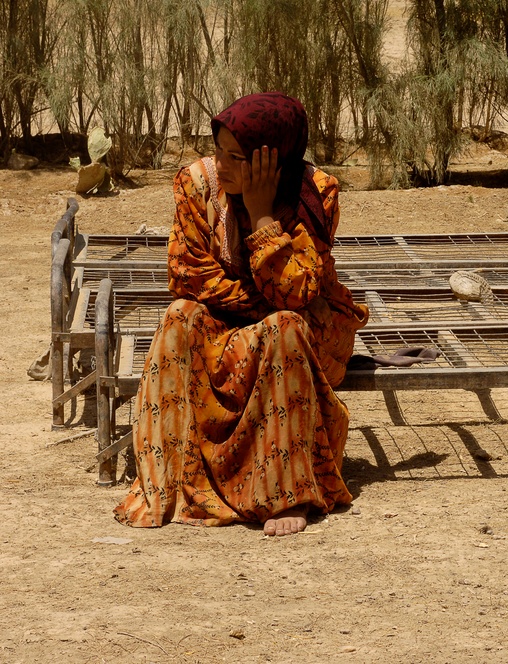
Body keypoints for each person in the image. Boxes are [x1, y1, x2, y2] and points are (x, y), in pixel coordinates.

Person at [114, 92, 369, 536]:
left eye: (239, 157)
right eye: (219, 151)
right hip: (227, 327)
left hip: (304, 333)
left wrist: (262, 214)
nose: (224, 165)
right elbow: (188, 275)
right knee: (179, 317)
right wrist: (258, 302)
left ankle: (287, 494)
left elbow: (298, 294)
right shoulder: (196, 184)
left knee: (284, 328)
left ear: (275, 160)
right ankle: (170, 482)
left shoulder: (317, 194)